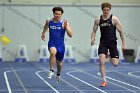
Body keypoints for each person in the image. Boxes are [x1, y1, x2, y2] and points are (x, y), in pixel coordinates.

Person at [91, 2, 126, 87]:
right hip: (103, 43)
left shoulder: (114, 19)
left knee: (115, 64)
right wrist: (92, 39)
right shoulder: (98, 20)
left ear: (110, 10)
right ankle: (104, 80)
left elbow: (121, 32)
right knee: (102, 61)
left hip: (112, 43)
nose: (106, 11)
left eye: (107, 10)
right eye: (104, 10)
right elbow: (94, 31)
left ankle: (109, 54)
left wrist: (124, 44)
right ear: (102, 10)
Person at [41, 7, 73, 82]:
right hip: (52, 42)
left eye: (59, 14)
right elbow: (45, 26)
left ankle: (58, 74)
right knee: (52, 52)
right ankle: (51, 71)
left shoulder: (64, 23)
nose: (57, 15)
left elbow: (71, 35)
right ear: (53, 14)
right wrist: (43, 33)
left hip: (61, 45)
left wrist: (66, 28)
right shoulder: (49, 21)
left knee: (60, 64)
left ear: (61, 15)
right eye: (56, 14)